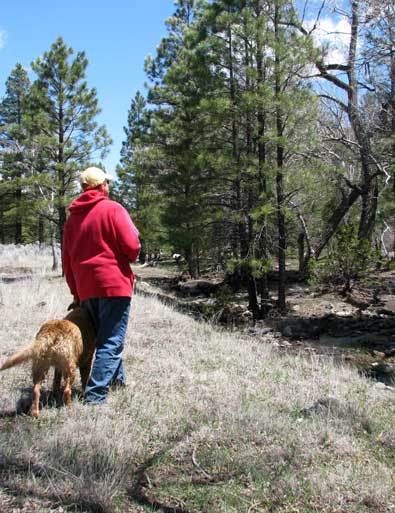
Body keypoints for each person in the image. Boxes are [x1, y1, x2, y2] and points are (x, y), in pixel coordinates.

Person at [63, 166, 140, 405]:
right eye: (106, 182)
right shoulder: (113, 209)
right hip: (114, 285)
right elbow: (133, 246)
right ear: (102, 186)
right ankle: (95, 397)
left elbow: (67, 260)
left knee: (105, 338)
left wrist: (76, 291)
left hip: (86, 288)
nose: (108, 185)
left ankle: (118, 382)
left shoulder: (73, 218)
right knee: (111, 341)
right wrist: (128, 255)